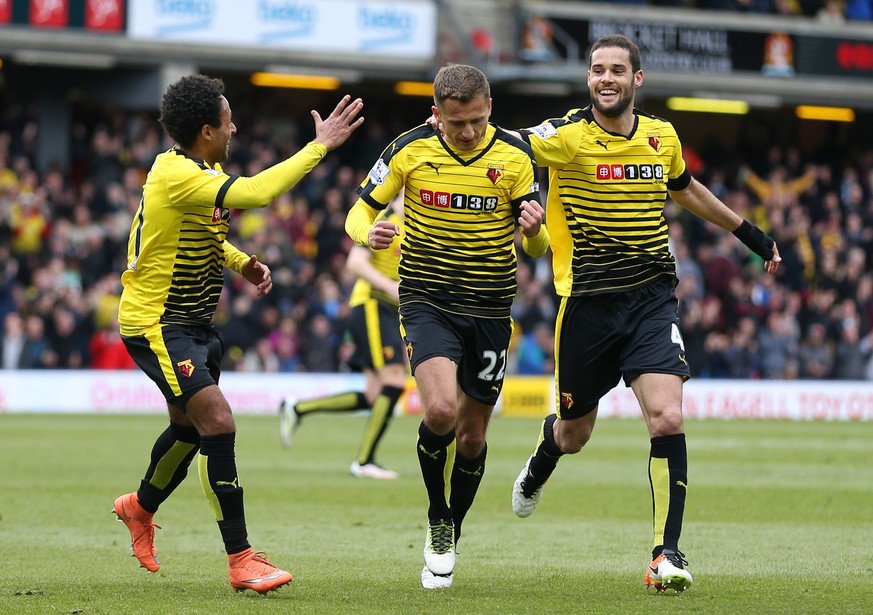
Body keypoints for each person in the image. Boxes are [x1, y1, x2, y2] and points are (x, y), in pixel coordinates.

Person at [506, 34, 782, 594]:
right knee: (575, 434)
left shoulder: (661, 136)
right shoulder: (564, 136)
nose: (605, 78)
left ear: (637, 80)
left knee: (668, 418)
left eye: (616, 70)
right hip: (585, 305)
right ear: (589, 79)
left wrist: (750, 234)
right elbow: (507, 143)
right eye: (596, 70)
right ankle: (544, 455)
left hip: (652, 300)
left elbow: (687, 189)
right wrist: (463, 132)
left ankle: (666, 555)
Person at [111, 74, 363, 594]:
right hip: (156, 323)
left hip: (193, 323)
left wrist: (240, 261)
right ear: (207, 130)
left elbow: (192, 234)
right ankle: (241, 558)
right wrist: (319, 147)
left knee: (188, 430)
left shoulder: (199, 169)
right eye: (228, 120)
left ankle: (139, 507)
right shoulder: (177, 173)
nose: (236, 127)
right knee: (218, 422)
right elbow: (259, 193)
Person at [345, 63, 550, 589]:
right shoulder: (408, 149)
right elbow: (356, 215)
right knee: (439, 411)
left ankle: (451, 532)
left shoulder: (515, 156)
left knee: (473, 436)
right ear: (436, 114)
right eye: (458, 122)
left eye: (478, 120)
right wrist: (369, 235)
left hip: (489, 306)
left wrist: (535, 233)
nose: (469, 132)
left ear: (489, 111)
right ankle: (438, 518)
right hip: (426, 298)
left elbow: (536, 246)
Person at [279, 192, 407, 480]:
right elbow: (355, 262)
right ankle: (365, 461)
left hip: (382, 308)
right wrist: (391, 287)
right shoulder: (388, 219)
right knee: (395, 380)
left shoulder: (412, 223)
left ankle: (298, 409)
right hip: (373, 304)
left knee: (374, 394)